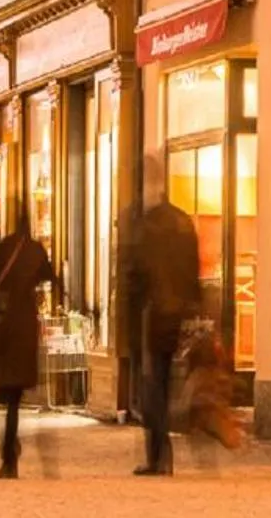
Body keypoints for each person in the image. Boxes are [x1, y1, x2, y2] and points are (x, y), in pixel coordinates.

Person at [122, 196, 202, 476]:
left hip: (153, 316)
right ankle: (161, 454)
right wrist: (193, 304)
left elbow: (135, 276)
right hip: (175, 314)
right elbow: (194, 268)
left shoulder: (149, 227)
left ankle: (159, 454)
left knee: (152, 386)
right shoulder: (182, 223)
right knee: (162, 382)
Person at [0, 216, 55, 479]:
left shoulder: (4, 249)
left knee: (6, 397)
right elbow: (50, 276)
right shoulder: (35, 250)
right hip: (24, 327)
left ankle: (8, 454)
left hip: (4, 330)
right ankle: (11, 449)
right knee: (15, 399)